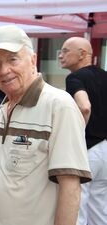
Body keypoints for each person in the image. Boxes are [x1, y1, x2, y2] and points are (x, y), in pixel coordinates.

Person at [0, 25, 92, 225]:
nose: (4, 70)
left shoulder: (59, 105)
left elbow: (71, 188)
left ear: (32, 60)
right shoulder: (5, 106)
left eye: (12, 59)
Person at [59, 37, 107, 225]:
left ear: (82, 54)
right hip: (105, 151)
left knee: (77, 205)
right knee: (99, 206)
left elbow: (84, 106)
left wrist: (75, 136)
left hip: (88, 149)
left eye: (65, 51)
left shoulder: (75, 78)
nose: (61, 55)